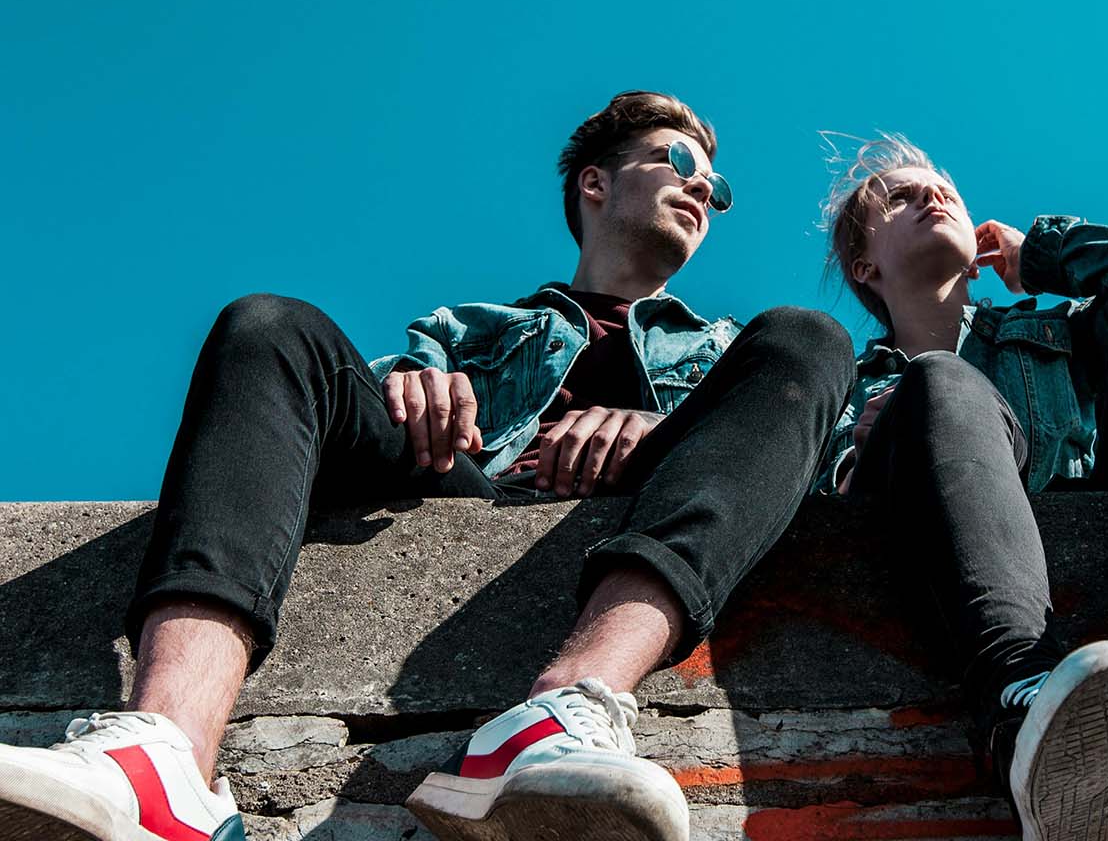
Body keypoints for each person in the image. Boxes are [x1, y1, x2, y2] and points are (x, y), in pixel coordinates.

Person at [0, 92, 854, 841]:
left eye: (718, 184)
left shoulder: (725, 351)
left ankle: (567, 710)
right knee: (267, 326)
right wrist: (407, 387)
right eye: (679, 162)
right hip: (466, 478)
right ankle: (165, 757)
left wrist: (652, 424)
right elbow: (324, 420)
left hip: (646, 504)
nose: (705, 187)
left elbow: (790, 469)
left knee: (811, 339)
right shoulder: (467, 325)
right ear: (596, 183)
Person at [818, 134, 1108, 841]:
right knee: (938, 381)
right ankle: (1027, 705)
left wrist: (1045, 254)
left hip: (1091, 506)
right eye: (902, 197)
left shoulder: (1061, 333)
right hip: (952, 574)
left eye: (943, 189)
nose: (933, 197)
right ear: (863, 264)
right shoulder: (846, 389)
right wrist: (859, 460)